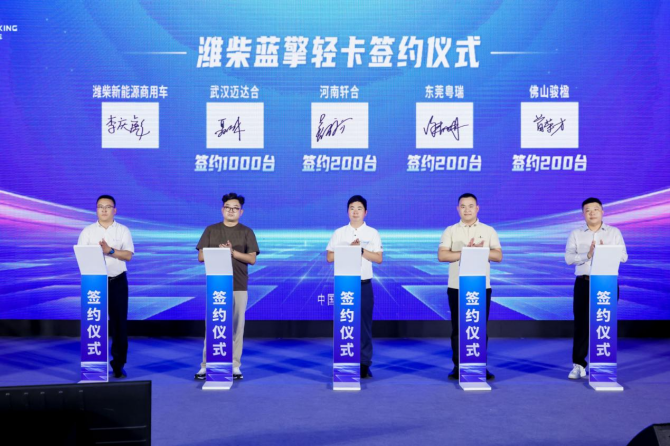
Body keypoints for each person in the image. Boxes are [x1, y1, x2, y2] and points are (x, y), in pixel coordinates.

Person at [195, 192, 260, 380]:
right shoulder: (211, 230)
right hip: (216, 284)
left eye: (235, 208)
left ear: (241, 212)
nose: (231, 211)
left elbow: (252, 259)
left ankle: (235, 364)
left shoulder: (247, 232)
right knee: (213, 325)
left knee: (237, 325)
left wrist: (232, 253)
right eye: (228, 207)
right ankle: (207, 365)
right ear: (222, 209)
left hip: (239, 284)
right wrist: (219, 251)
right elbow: (201, 256)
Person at [437, 193, 502, 381]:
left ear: (477, 208)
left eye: (471, 206)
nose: (467, 210)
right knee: (458, 328)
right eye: (463, 206)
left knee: (478, 328)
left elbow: (498, 256)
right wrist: (466, 252)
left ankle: (479, 365)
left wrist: (481, 251)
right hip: (456, 286)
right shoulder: (450, 230)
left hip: (480, 286)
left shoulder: (488, 230)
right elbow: (442, 256)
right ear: (458, 209)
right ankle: (458, 366)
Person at [565, 197, 627, 379]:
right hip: (584, 283)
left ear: (602, 212)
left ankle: (603, 366)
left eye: (595, 209)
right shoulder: (576, 233)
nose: (592, 213)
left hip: (606, 283)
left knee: (604, 324)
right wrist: (589, 254)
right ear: (583, 214)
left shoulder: (614, 232)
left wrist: (606, 251)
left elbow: (624, 257)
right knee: (581, 325)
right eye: (588, 210)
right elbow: (569, 259)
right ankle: (579, 365)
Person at [77, 195, 134, 379]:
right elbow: (81, 255)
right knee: (94, 323)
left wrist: (109, 251)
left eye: (107, 207)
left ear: (114, 210)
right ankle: (93, 366)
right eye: (100, 206)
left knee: (119, 325)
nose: (103, 210)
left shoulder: (123, 230)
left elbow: (128, 255)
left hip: (117, 281)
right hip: (94, 283)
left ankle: (118, 364)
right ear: (96, 210)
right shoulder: (87, 232)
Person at [326, 195, 383, 379]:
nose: (355, 211)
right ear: (347, 211)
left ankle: (364, 363)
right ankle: (344, 361)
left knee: (364, 325)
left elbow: (378, 258)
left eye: (359, 208)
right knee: (344, 324)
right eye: (352, 208)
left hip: (364, 284)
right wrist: (347, 249)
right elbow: (329, 257)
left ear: (365, 212)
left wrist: (361, 250)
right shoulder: (339, 233)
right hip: (344, 285)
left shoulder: (372, 233)